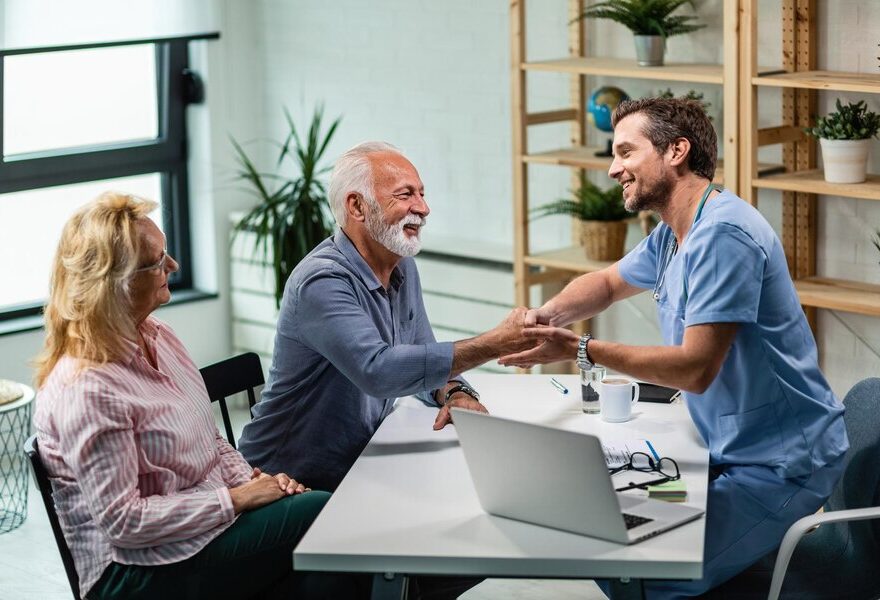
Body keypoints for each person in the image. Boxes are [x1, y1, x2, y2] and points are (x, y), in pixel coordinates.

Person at [499, 98, 849, 597]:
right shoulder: (675, 232)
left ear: (676, 151)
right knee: (618, 533)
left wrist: (581, 349)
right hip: (725, 446)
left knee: (645, 576)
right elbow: (606, 283)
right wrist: (543, 318)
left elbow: (694, 368)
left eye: (625, 151)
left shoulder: (724, 235)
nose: (613, 168)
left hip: (781, 463)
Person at [33, 193, 359, 600]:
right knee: (326, 516)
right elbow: (125, 523)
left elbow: (211, 442)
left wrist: (260, 484)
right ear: (113, 284)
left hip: (199, 533)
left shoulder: (161, 337)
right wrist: (239, 499)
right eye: (156, 263)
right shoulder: (87, 388)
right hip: (134, 572)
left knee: (329, 552)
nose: (173, 266)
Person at [237, 141, 530, 494]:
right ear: (357, 206)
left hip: (358, 465)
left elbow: (422, 354)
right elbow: (380, 371)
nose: (423, 208)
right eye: (405, 195)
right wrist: (496, 342)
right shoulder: (322, 281)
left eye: (421, 194)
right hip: (286, 483)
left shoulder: (401, 265)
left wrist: (454, 392)